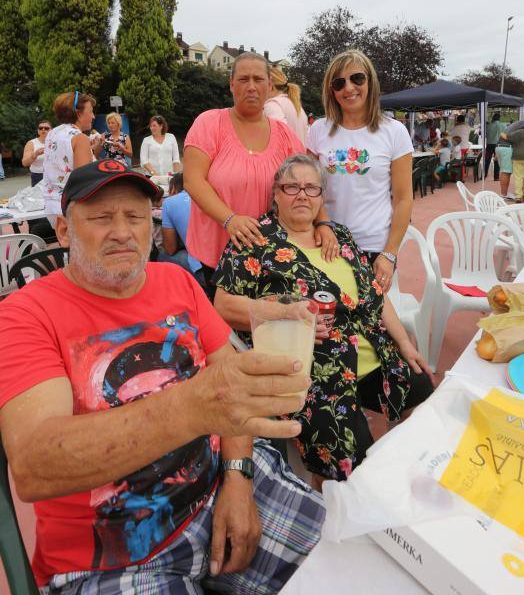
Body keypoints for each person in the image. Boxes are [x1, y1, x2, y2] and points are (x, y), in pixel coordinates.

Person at [0, 161, 325, 593]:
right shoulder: (24, 315)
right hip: (111, 561)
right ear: (62, 231)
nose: (122, 231)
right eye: (101, 217)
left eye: (135, 217)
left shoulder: (177, 280)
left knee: (355, 561)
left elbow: (232, 385)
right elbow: (36, 466)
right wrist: (192, 408)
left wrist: (237, 475)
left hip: (222, 487)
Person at [214, 155, 434, 490]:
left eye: (311, 188)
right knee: (350, 463)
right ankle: (331, 512)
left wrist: (404, 343)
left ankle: (398, 476)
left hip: (373, 351)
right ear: (276, 194)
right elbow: (222, 305)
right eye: (292, 187)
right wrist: (286, 312)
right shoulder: (254, 241)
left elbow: (373, 291)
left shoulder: (339, 236)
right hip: (313, 371)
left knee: (420, 390)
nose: (302, 195)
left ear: (321, 198)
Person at [184, 52, 336, 297]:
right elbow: (193, 180)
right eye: (243, 79)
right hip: (217, 257)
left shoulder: (285, 135)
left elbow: (309, 184)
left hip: (271, 262)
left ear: (269, 85)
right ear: (232, 85)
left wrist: (324, 223)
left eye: (258, 79)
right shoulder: (209, 123)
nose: (251, 87)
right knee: (224, 329)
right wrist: (230, 220)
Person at [307, 49, 413, 294]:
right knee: (330, 320)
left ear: (370, 82)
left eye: (357, 78)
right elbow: (311, 188)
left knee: (371, 321)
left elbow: (404, 199)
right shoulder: (318, 130)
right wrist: (323, 223)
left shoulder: (394, 131)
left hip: (374, 246)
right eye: (339, 82)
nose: (349, 88)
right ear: (331, 90)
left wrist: (389, 253)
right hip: (326, 241)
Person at [43, 91, 97, 227]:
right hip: (72, 208)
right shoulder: (80, 138)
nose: (93, 116)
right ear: (78, 113)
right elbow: (83, 184)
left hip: (52, 204)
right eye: (90, 111)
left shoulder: (52, 133)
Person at [159, 172, 204, 284]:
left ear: (173, 188)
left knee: (162, 255)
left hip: (205, 271)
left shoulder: (169, 202)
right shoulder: (211, 196)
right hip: (227, 263)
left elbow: (170, 249)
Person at [264, 65, 309, 144]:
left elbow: (279, 138)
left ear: (270, 85)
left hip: (286, 156)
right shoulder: (297, 107)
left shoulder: (272, 105)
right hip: (300, 155)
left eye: (259, 82)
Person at [503, 128, 524, 202]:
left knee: (518, 177)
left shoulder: (519, 132)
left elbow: (507, 137)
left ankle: (518, 197)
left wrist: (501, 134)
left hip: (518, 157)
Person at [21, 120, 52, 186]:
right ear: (38, 131)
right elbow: (25, 163)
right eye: (40, 128)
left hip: (53, 175)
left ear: (51, 130)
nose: (43, 129)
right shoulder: (31, 143)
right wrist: (35, 154)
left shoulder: (56, 142)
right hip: (38, 176)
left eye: (46, 128)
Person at [484, 112, 506, 180]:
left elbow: (485, 134)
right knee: (497, 160)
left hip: (490, 144)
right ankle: (496, 177)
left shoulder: (489, 125)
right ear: (499, 118)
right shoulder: (503, 125)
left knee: (487, 160)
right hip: (499, 144)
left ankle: (484, 175)